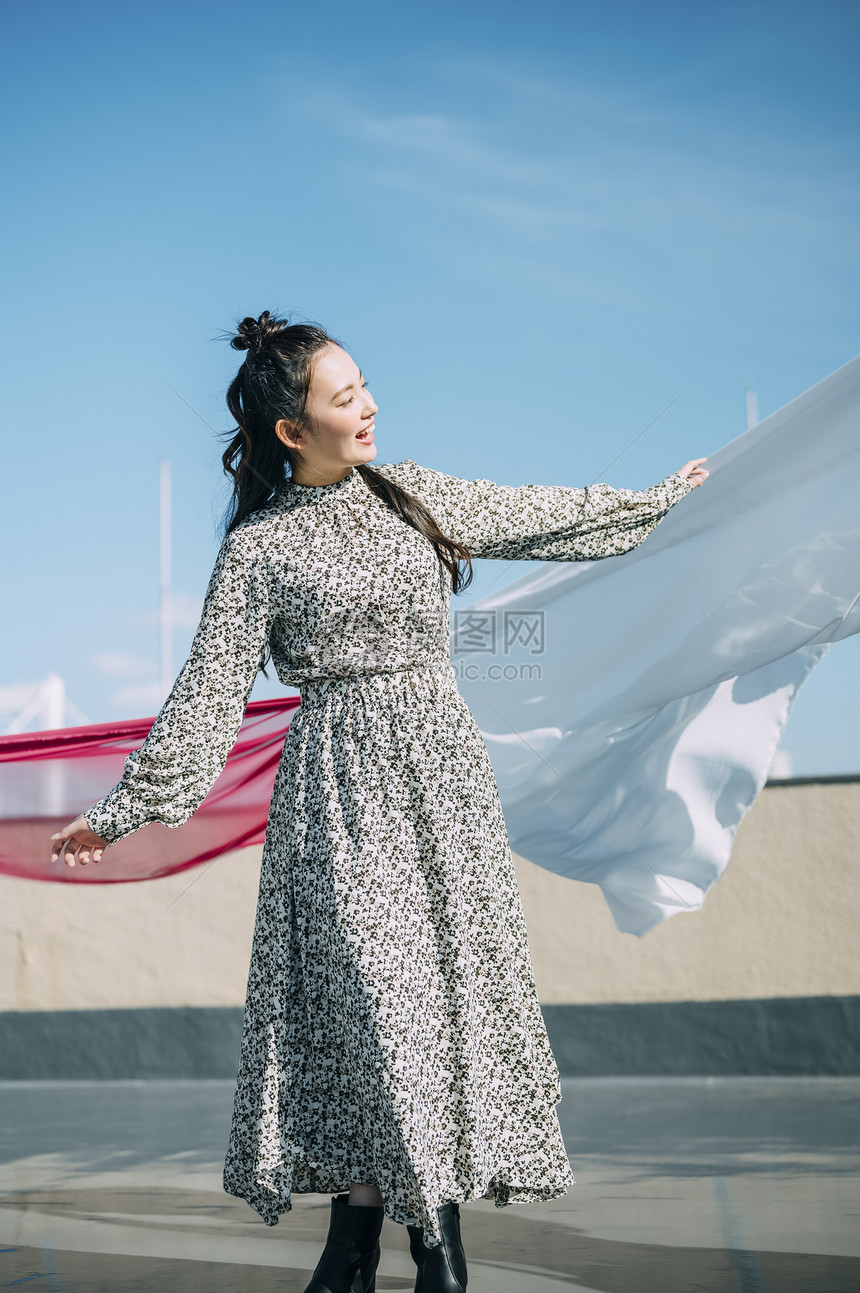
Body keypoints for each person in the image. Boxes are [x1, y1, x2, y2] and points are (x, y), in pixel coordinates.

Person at [50, 311, 709, 1293]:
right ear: (290, 430)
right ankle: (410, 1249)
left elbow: (543, 515)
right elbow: (206, 693)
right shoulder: (258, 553)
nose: (368, 405)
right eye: (343, 394)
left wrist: (661, 502)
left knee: (424, 1011)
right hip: (336, 798)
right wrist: (120, 809)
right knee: (372, 1009)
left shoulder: (413, 497)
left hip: (440, 787)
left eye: (364, 386)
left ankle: (373, 1247)